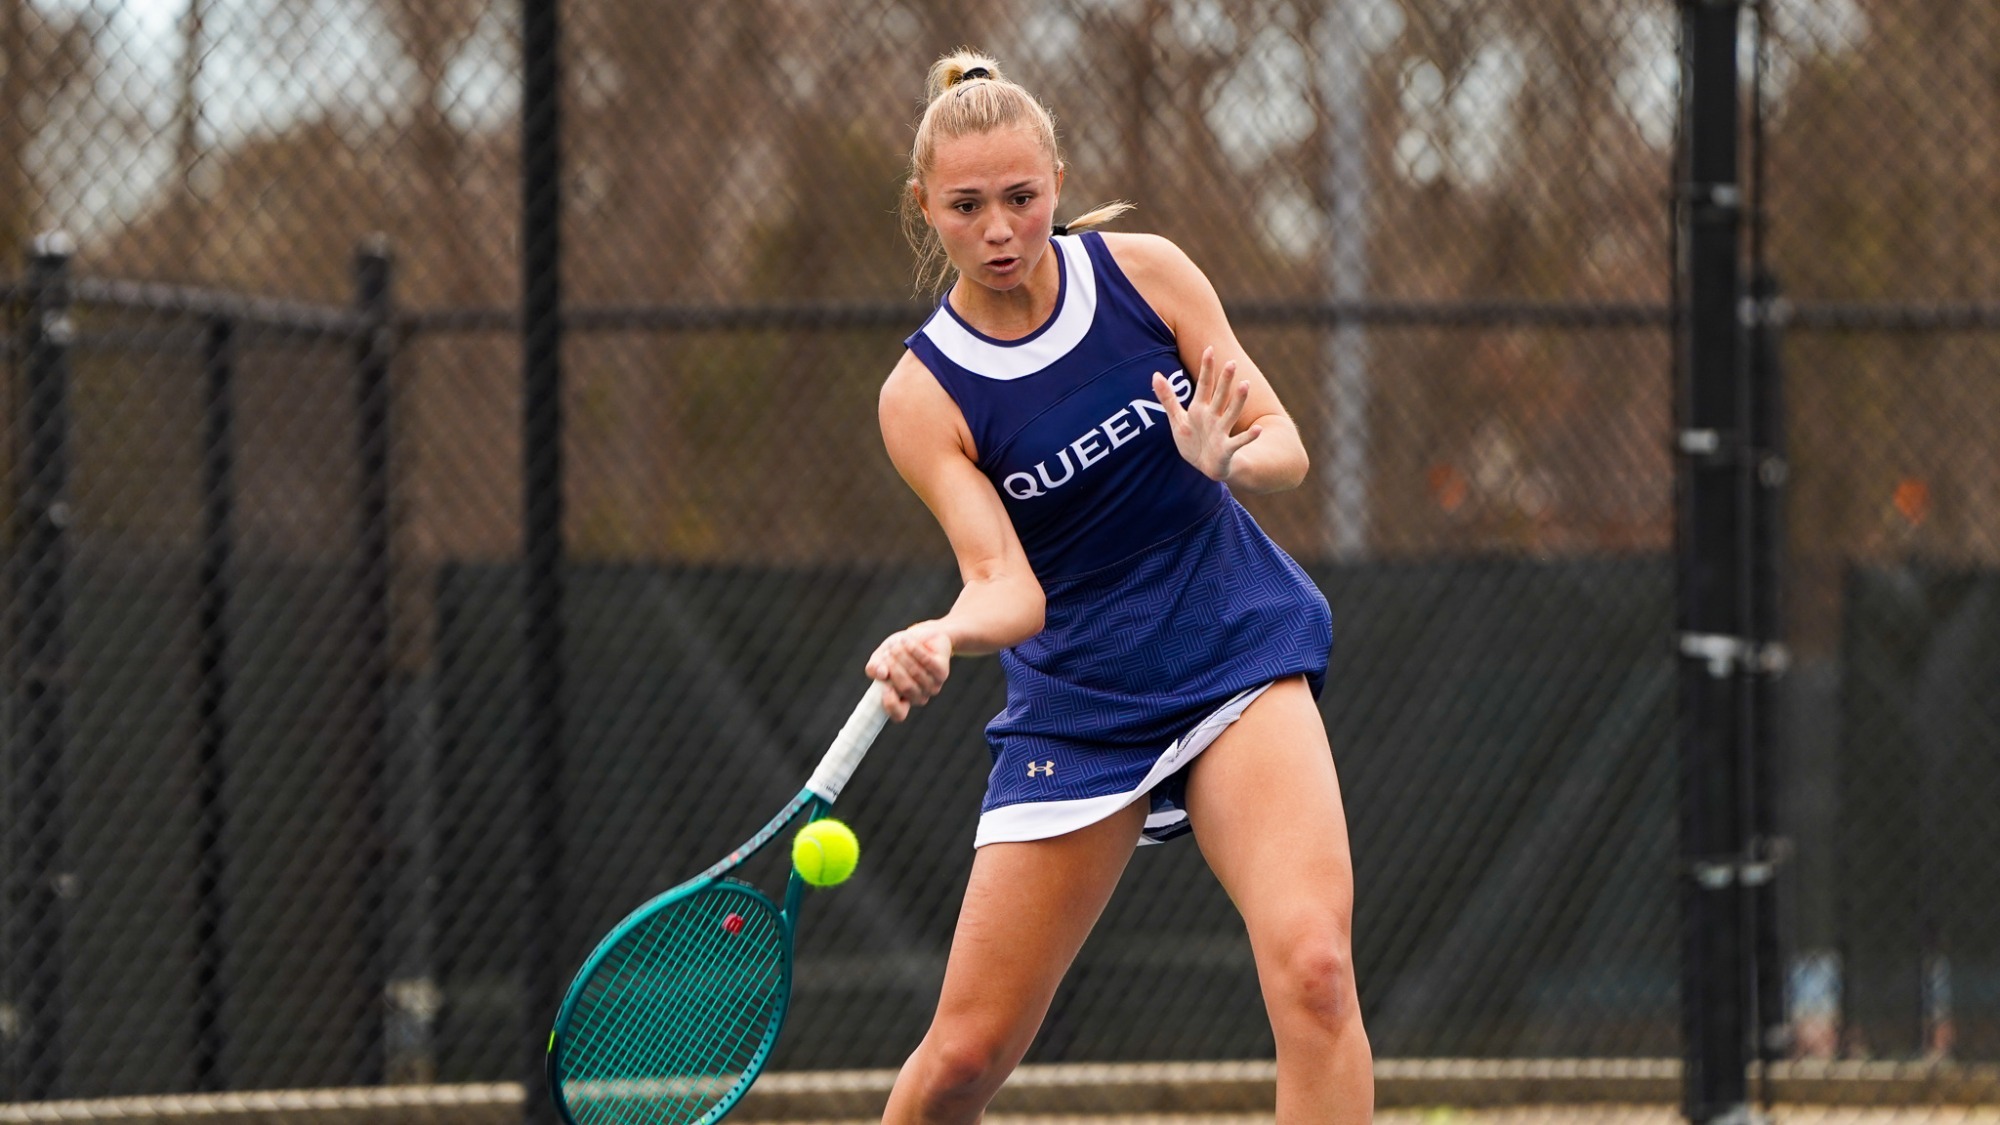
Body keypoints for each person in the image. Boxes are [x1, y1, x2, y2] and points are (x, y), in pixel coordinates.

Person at [862, 49, 1374, 1125]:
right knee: (960, 1059)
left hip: (1231, 641)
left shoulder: (1144, 275)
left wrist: (1222, 458)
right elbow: (1008, 589)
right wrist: (942, 636)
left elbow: (1281, 444)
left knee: (1316, 971)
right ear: (925, 210)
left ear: (1055, 176)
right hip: (1082, 703)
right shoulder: (921, 395)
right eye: (965, 206)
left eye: (1020, 197)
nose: (998, 228)